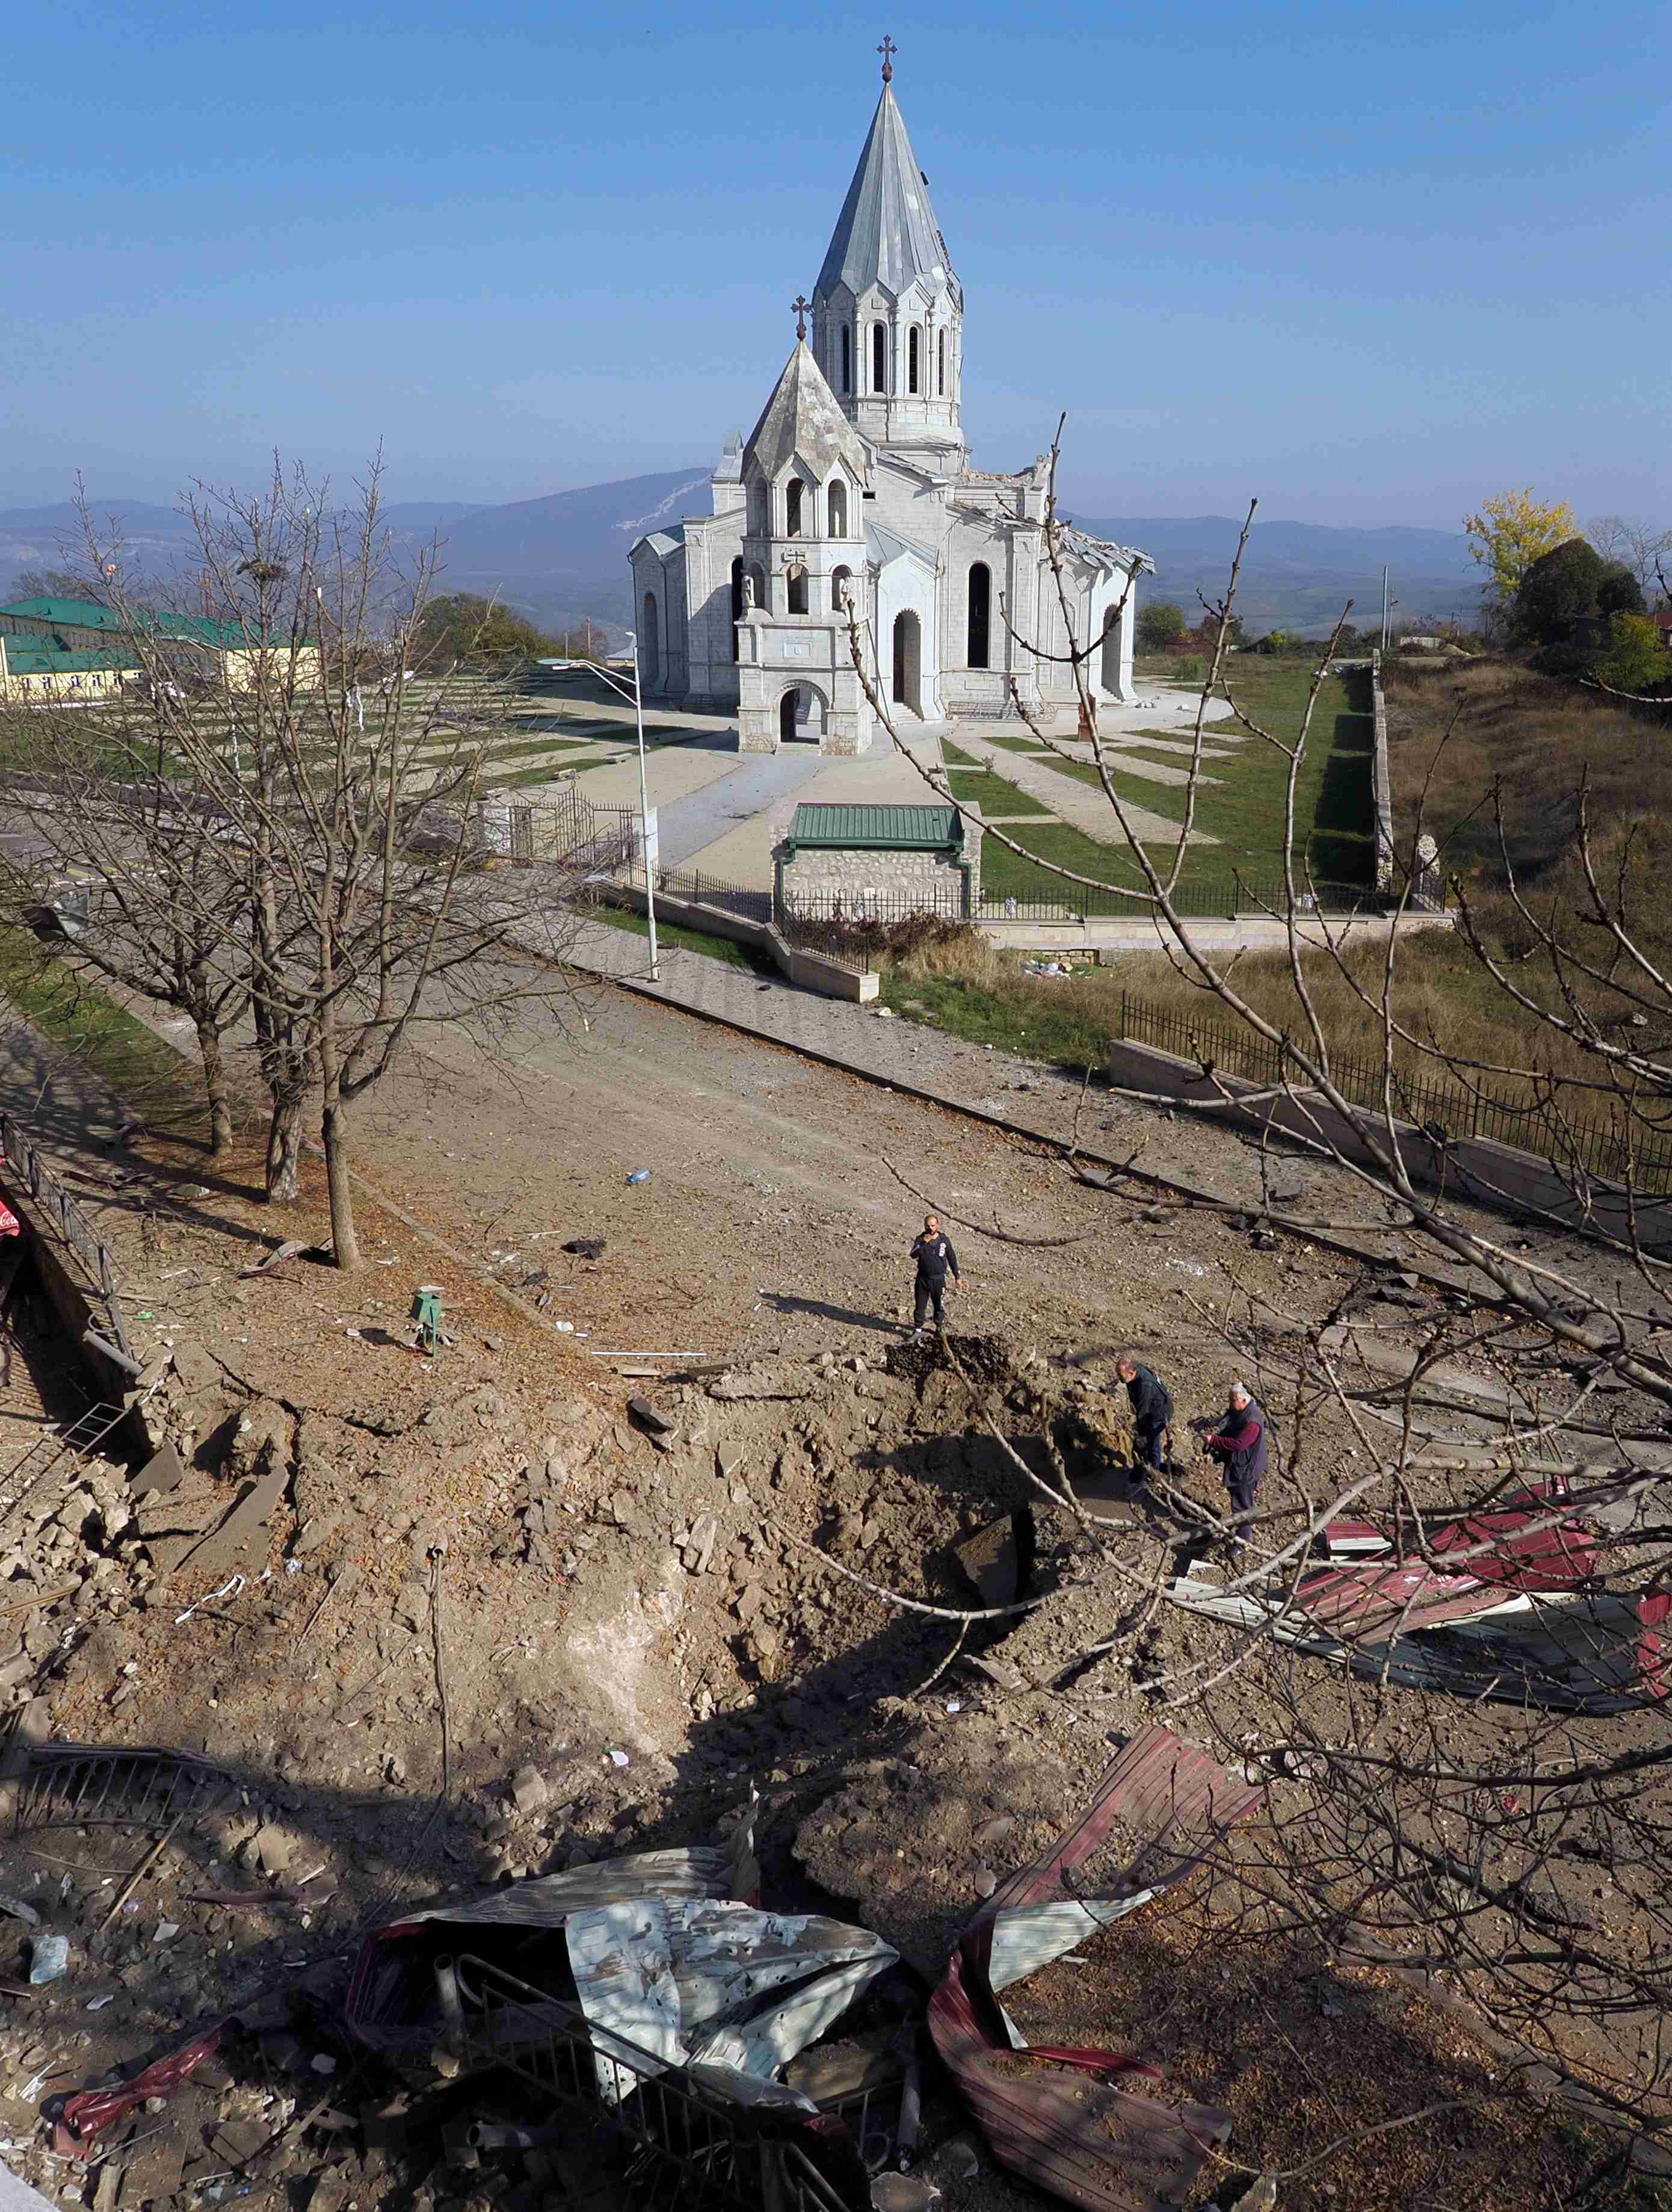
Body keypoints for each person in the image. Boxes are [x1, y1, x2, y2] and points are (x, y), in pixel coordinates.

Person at [1205, 1382, 1269, 1560]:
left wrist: (1215, 1441)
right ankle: (1241, 1530)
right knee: (1240, 1502)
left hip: (1246, 1470)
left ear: (1243, 1400)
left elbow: (1239, 1444)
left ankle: (1242, 1543)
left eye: (1233, 1400)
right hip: (1242, 1465)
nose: (1230, 1403)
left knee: (1243, 1506)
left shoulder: (1253, 1422)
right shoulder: (1242, 1411)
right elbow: (1230, 1422)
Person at [1115, 1353, 1173, 1487]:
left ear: (1132, 1372)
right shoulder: (1135, 1371)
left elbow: (1143, 1412)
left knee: (1152, 1443)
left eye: (1121, 1376)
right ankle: (1144, 1467)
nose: (1119, 1378)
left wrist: (1141, 1434)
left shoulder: (1145, 1386)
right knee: (1144, 1441)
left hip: (1159, 1414)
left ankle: (1154, 1475)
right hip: (1150, 1409)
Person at [908, 1214, 961, 1336]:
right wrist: (923, 1244)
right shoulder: (920, 1239)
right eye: (928, 1226)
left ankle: (939, 1328)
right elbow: (913, 1255)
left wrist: (957, 1277)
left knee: (939, 1304)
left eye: (933, 1225)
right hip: (923, 1278)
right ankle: (917, 1330)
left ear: (938, 1225)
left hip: (938, 1279)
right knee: (920, 1304)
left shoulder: (944, 1241)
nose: (930, 1228)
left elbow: (952, 1258)